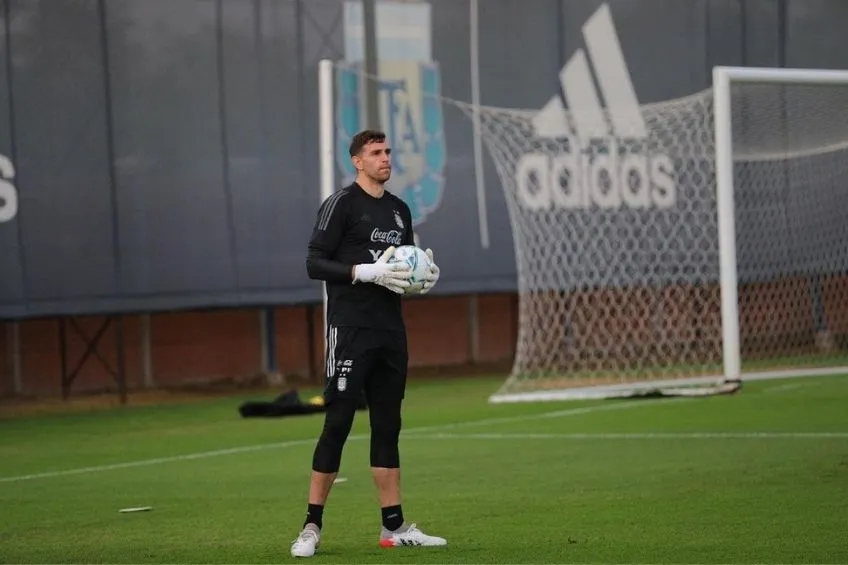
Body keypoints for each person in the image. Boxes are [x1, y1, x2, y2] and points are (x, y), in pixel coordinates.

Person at [291, 129, 445, 557]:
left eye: (388, 151)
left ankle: (393, 526)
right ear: (357, 161)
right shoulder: (341, 204)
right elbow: (313, 263)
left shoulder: (398, 210)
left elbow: (404, 266)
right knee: (338, 423)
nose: (385, 158)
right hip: (350, 329)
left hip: (390, 331)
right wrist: (361, 271)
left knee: (388, 425)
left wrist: (422, 277)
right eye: (376, 153)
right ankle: (311, 527)